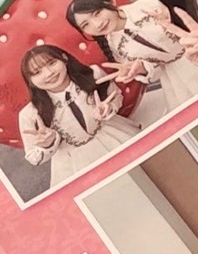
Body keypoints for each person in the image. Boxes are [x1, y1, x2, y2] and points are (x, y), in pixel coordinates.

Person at [16, 45, 137, 186]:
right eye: (37, 72)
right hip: (73, 163)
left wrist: (109, 108)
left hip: (114, 137)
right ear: (30, 81)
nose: (48, 74)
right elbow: (33, 158)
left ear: (64, 58)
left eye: (52, 63)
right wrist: (47, 145)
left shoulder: (93, 74)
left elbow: (116, 96)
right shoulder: (30, 113)